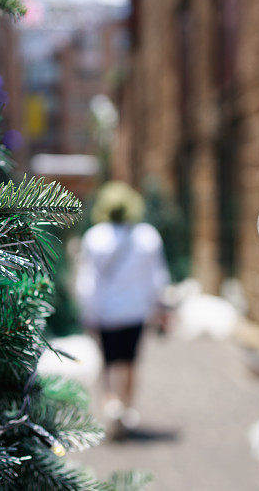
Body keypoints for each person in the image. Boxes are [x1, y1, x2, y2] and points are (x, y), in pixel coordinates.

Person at [75, 181, 170, 439]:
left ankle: (110, 404)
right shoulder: (147, 236)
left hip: (105, 312)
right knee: (130, 362)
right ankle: (126, 408)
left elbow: (87, 281)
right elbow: (157, 278)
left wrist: (88, 312)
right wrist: (161, 307)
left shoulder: (94, 237)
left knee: (108, 362)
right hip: (136, 312)